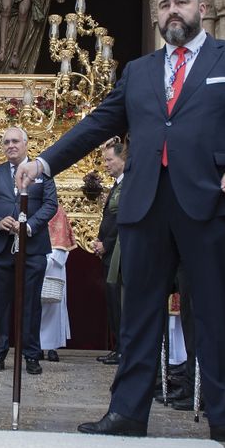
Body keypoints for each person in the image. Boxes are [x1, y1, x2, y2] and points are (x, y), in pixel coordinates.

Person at [19, 0, 225, 445]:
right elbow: (99, 123)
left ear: (202, 8)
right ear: (156, 17)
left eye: (180, 2)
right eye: (163, 5)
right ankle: (127, 412)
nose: (172, 11)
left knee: (214, 312)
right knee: (139, 313)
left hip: (211, 202)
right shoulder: (139, 71)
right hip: (146, 206)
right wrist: (44, 161)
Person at [0, 126, 57, 375]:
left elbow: (50, 204)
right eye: (6, 142)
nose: (10, 145)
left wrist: (29, 226)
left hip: (33, 248)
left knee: (31, 303)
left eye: (15, 141)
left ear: (25, 144)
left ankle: (32, 355)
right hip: (0, 247)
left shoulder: (41, 172)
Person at [90, 139, 126, 365]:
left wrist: (107, 243)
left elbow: (121, 219)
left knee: (119, 301)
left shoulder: (128, 185)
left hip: (119, 253)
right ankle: (119, 347)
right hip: (109, 252)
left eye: (109, 160)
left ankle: (123, 349)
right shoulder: (117, 185)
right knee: (113, 302)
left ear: (123, 160)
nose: (105, 164)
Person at [39, 203, 75, 362]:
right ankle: (35, 345)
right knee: (33, 306)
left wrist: (50, 261)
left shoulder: (56, 209)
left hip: (53, 262)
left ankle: (52, 346)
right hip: (32, 260)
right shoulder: (27, 204)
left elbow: (61, 238)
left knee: (54, 305)